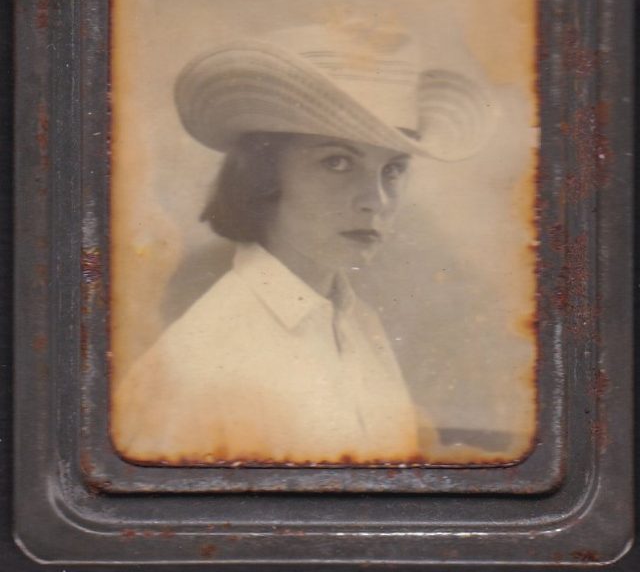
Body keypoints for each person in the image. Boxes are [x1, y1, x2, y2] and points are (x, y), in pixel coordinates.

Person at [111, 23, 495, 465]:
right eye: (337, 162)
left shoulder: (356, 322)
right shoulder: (199, 364)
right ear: (263, 174)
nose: (376, 200)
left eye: (392, 169)